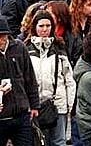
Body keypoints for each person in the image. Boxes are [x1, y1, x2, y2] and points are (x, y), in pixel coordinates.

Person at [26, 10, 76, 146]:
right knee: (38, 141)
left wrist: (69, 105)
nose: (44, 29)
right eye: (41, 26)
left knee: (59, 141)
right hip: (35, 105)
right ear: (34, 27)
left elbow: (69, 79)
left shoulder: (59, 49)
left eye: (48, 26)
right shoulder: (26, 50)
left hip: (58, 104)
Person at [0, 17, 39, 146]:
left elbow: (30, 78)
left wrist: (34, 105)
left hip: (21, 115)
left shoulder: (19, 47)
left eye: (3, 36)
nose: (0, 40)